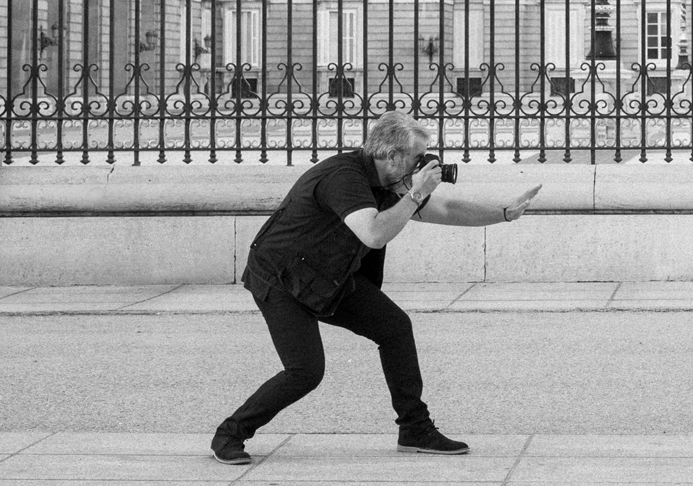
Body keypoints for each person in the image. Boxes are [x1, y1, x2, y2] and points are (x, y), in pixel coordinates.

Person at [211, 111, 540, 465]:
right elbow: (374, 232)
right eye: (418, 158)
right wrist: (414, 193)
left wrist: (504, 212)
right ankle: (229, 434)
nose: (424, 164)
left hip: (329, 276)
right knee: (305, 371)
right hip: (280, 278)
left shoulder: (392, 183)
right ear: (392, 155)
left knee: (395, 328)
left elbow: (444, 208)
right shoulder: (344, 177)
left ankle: (415, 429)